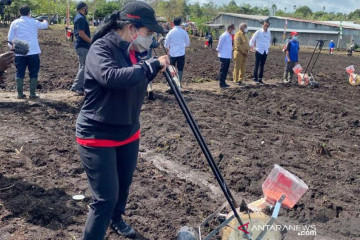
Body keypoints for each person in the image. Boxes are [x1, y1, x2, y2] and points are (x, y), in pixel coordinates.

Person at [75, 1, 169, 239]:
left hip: (128, 131)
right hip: (98, 134)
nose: (150, 39)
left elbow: (135, 81)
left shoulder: (136, 51)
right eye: (148, 33)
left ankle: (116, 219)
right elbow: (111, 77)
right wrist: (150, 67)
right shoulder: (101, 49)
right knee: (105, 198)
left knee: (123, 186)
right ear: (131, 28)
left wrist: (155, 70)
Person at [7, 4, 48, 99]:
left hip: (20, 51)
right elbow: (45, 25)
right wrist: (45, 19)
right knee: (33, 72)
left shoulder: (15, 23)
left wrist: (13, 49)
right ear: (29, 12)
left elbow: (10, 38)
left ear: (19, 13)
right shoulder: (34, 22)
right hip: (33, 51)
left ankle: (20, 94)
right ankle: (32, 94)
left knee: (19, 72)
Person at [70, 2, 91, 95]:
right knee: (85, 66)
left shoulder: (79, 17)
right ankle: (76, 87)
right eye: (86, 8)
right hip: (83, 46)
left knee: (82, 66)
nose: (87, 10)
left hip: (81, 46)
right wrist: (91, 41)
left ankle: (80, 87)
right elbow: (81, 34)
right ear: (83, 8)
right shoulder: (81, 19)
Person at [164, 17, 190, 87]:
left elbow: (166, 44)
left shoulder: (170, 32)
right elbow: (187, 43)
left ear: (173, 23)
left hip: (172, 53)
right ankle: (179, 83)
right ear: (180, 23)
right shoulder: (184, 32)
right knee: (180, 68)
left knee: (171, 68)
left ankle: (170, 82)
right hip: (181, 53)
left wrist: (168, 48)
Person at [249, 20, 271, 84]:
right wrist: (252, 47)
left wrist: (268, 47)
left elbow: (269, 40)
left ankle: (260, 78)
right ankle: (255, 78)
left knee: (262, 65)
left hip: (265, 51)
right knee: (257, 64)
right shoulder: (258, 32)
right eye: (265, 26)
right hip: (259, 50)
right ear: (263, 25)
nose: (266, 27)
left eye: (267, 26)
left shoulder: (269, 32)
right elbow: (252, 40)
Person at [216, 24, 235, 88]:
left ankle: (224, 82)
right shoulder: (224, 35)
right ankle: (221, 83)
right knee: (223, 70)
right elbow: (220, 44)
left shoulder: (229, 35)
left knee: (226, 70)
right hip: (223, 55)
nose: (233, 31)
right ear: (229, 28)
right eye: (232, 29)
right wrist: (218, 51)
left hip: (228, 55)